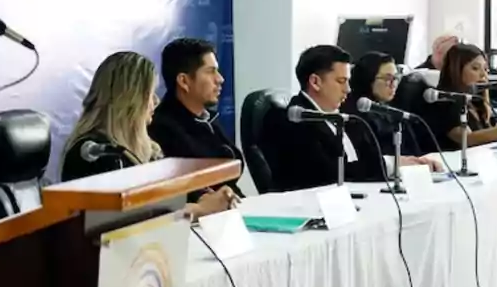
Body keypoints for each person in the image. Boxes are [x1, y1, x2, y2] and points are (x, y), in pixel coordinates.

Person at [61, 51, 234, 217]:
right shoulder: (94, 153)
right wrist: (200, 210)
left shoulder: (144, 147)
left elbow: (167, 195)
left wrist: (204, 197)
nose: (156, 102)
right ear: (130, 99)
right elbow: (133, 220)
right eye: (150, 94)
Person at [265, 45, 436, 191]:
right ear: (315, 82)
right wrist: (391, 164)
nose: (348, 89)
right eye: (341, 81)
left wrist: (404, 163)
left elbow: (368, 157)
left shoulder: (345, 116)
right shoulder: (293, 119)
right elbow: (332, 173)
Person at [149, 38, 245, 197]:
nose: (220, 79)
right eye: (210, 71)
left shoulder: (206, 119)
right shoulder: (163, 128)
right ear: (184, 81)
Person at [343, 52, 443, 179]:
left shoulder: (392, 112)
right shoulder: (354, 117)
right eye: (387, 78)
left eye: (396, 78)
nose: (393, 84)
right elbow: (366, 161)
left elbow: (414, 151)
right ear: (368, 79)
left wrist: (421, 162)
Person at [419, 43, 497, 150]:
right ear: (456, 70)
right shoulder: (444, 100)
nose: (483, 74)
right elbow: (467, 139)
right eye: (475, 68)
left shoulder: (476, 101)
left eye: (485, 69)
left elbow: (490, 132)